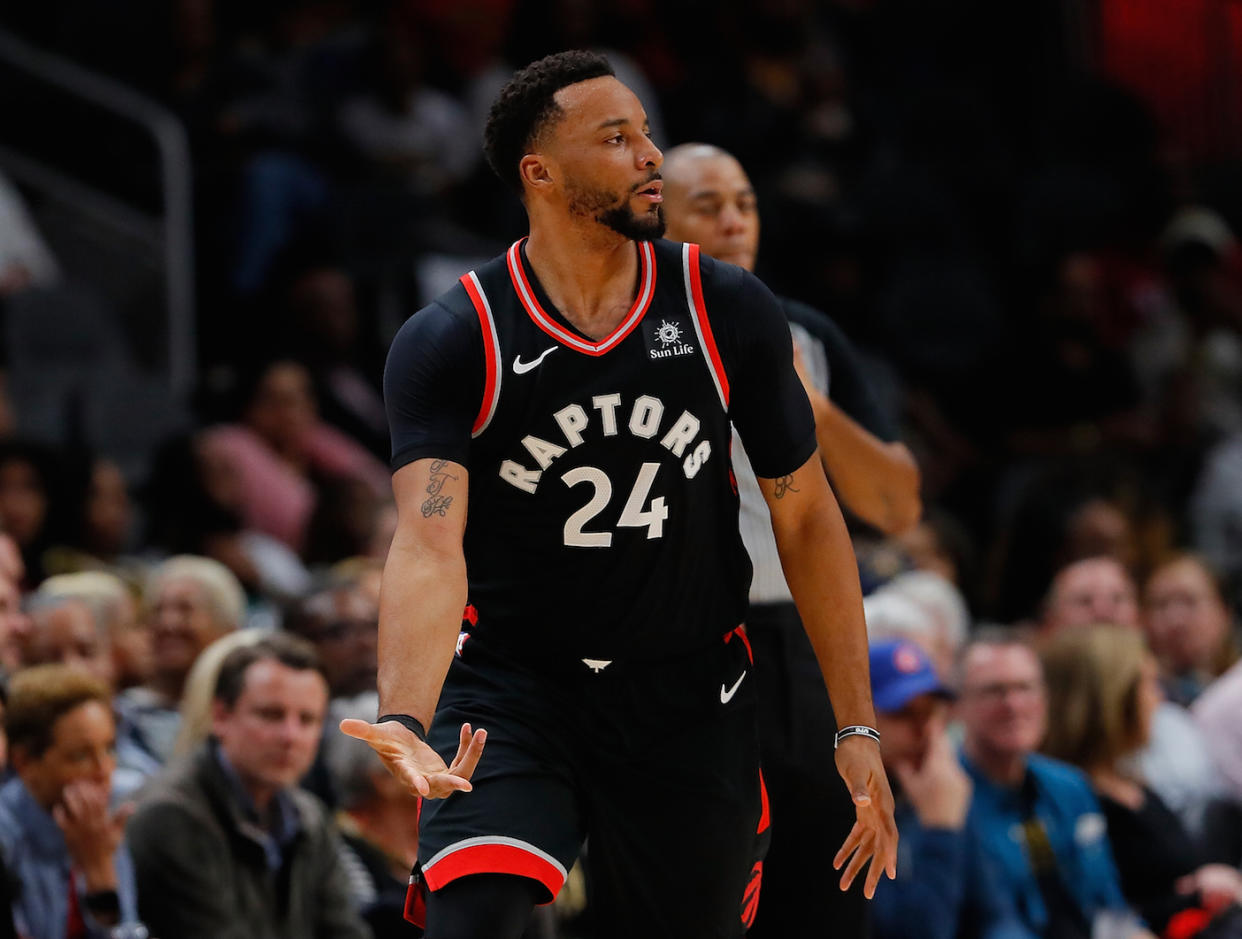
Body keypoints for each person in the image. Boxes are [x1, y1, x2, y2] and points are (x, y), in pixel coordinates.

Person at [341, 50, 897, 939]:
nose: (651, 156)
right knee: (472, 916)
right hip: (512, 688)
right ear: (541, 171)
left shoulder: (726, 307)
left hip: (689, 691)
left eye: (647, 133)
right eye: (618, 137)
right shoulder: (454, 335)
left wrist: (856, 727)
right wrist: (405, 710)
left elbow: (806, 515)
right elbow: (428, 541)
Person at [659, 140, 920, 937]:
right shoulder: (620, 333)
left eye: (746, 202)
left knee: (829, 880)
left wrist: (804, 400)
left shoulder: (804, 334)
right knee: (700, 883)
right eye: (708, 205)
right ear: (654, 218)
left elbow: (897, 504)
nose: (735, 220)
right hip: (678, 647)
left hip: (802, 639)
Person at [126, 633, 370, 939]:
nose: (290, 737)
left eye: (307, 720)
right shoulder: (170, 817)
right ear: (220, 716)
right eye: (271, 715)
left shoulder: (309, 816)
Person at [1041, 624, 1242, 936]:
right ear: (1110, 699)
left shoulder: (1130, 779)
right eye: (1148, 686)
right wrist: (1190, 896)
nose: (1158, 698)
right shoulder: (1070, 798)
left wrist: (1206, 883)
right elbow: (1098, 913)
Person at [956, 631, 1152, 939]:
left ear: (1045, 699)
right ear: (959, 705)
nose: (1013, 704)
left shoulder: (1069, 786)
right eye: (994, 691)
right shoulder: (948, 802)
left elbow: (1107, 902)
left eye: (1025, 688)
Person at [1040, 556, 1222, 838]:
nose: (1103, 612)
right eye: (1084, 601)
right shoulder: (1034, 721)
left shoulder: (1173, 720)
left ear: (1138, 618)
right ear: (1050, 621)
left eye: (1118, 599)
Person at [867, 639, 1033, 939]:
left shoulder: (944, 785)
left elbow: (995, 914)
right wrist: (940, 830)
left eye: (930, 712)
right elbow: (916, 933)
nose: (924, 730)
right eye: (903, 713)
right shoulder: (850, 812)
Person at [0, 664, 145, 939]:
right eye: (80, 756)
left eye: (110, 749)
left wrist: (99, 874)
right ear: (25, 762)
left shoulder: (106, 818)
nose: (104, 771)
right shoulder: (5, 838)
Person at [1142, 552, 1240, 706]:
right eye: (1161, 605)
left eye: (1189, 602)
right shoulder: (1138, 702)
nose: (1175, 619)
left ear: (1224, 612)